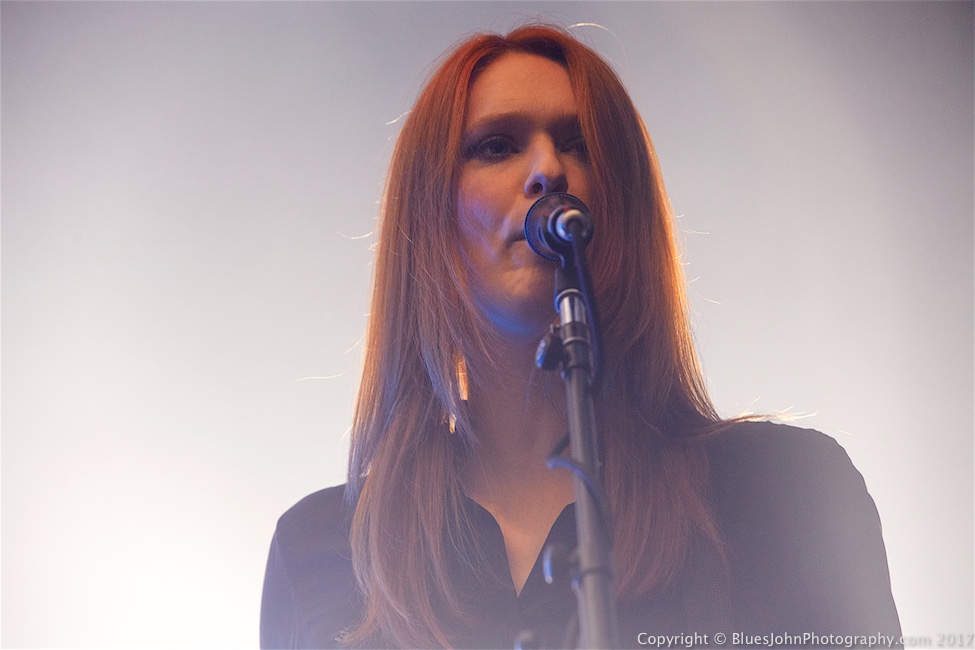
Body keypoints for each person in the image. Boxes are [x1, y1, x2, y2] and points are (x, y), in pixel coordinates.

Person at [260, 25, 901, 649]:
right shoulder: (321, 552)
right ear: (429, 219)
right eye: (496, 146)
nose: (547, 170)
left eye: (579, 143)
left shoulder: (783, 493)